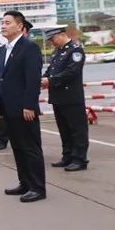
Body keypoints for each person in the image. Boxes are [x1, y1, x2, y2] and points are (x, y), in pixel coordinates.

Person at [0, 10, 47, 203]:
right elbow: (1, 80)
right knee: (17, 147)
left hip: (24, 108)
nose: (3, 26)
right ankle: (25, 183)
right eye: (2, 22)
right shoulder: (5, 49)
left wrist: (29, 105)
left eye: (7, 22)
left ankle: (37, 187)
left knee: (30, 147)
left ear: (20, 26)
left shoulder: (29, 47)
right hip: (8, 108)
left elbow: (32, 80)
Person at [41, 26, 89, 172]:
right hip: (58, 97)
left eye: (53, 39)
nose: (51, 42)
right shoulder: (58, 52)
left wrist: (51, 81)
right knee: (64, 129)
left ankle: (79, 159)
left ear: (62, 35)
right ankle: (67, 156)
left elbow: (72, 72)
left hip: (72, 98)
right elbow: (51, 70)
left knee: (77, 130)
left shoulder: (75, 50)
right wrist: (44, 78)